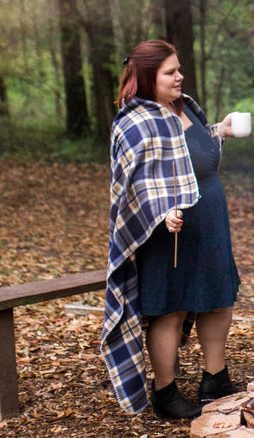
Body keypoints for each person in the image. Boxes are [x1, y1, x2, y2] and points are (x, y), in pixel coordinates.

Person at [101, 40, 242, 418]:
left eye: (178, 69)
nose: (180, 77)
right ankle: (165, 393)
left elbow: (189, 153)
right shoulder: (134, 122)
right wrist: (161, 212)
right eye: (170, 72)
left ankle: (216, 378)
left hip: (209, 219)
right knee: (171, 310)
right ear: (148, 77)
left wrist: (219, 131)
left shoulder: (182, 108)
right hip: (169, 233)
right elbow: (134, 183)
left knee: (217, 299)